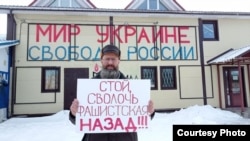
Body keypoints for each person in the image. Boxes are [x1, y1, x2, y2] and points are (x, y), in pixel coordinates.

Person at [69, 44, 155, 141]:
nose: (110, 62)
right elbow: (78, 121)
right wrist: (74, 113)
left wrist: (149, 112)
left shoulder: (131, 87)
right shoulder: (89, 87)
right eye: (107, 59)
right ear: (101, 60)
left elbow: (141, 118)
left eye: (113, 59)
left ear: (118, 61)